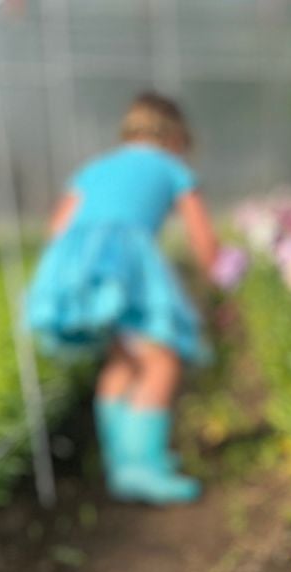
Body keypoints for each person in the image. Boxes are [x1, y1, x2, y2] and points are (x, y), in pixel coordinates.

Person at [26, 91, 218, 505]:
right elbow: (202, 237)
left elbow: (58, 228)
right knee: (161, 358)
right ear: (175, 136)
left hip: (80, 265)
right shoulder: (172, 168)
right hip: (129, 264)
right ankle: (141, 465)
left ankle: (121, 460)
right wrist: (215, 278)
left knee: (122, 359)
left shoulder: (94, 169)